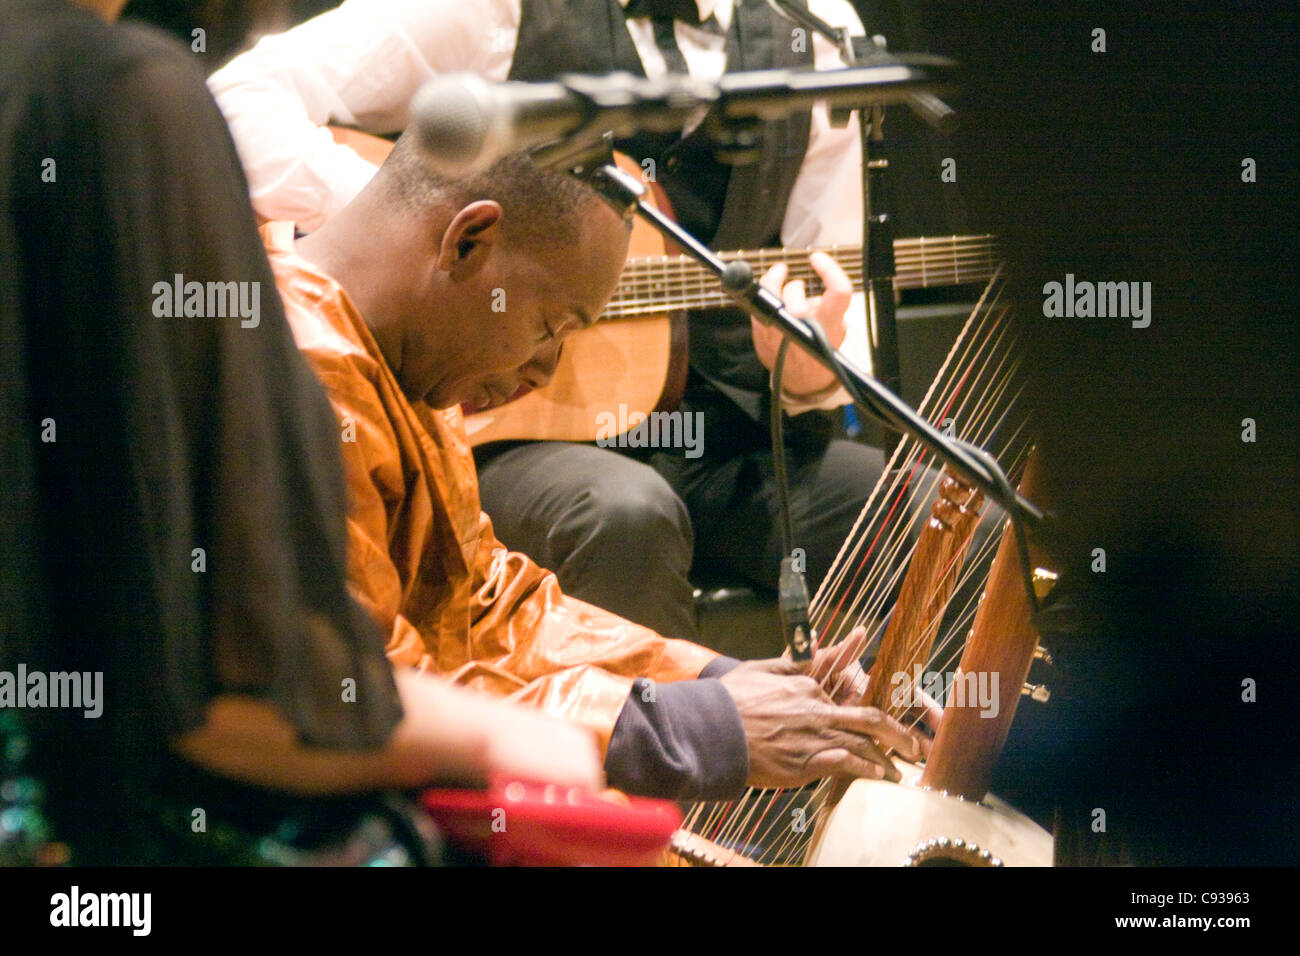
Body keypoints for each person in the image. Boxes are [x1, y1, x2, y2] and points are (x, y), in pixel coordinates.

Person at [0, 0, 604, 866]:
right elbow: (238, 681)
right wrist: (510, 738)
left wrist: (691, 687)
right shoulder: (115, 97)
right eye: (553, 329)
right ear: (467, 241)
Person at [263, 128, 929, 801]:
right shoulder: (286, 379)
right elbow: (372, 699)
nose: (549, 369)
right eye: (552, 327)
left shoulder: (405, 363)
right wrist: (685, 727)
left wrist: (719, 682)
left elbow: (487, 610)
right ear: (468, 241)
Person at [208, 0, 899, 645]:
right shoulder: (494, 8)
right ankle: (639, 761)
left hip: (725, 441)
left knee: (930, 517)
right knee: (624, 514)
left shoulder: (818, 26)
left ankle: (914, 759)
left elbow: (829, 291)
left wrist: (807, 373)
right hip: (507, 423)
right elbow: (238, 101)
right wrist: (406, 214)